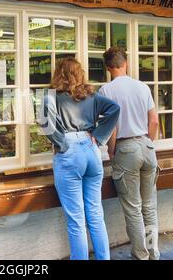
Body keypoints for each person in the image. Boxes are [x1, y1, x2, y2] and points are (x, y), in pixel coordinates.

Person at [38, 57, 120, 260]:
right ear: (79, 73)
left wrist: (62, 143)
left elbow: (45, 124)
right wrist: (99, 137)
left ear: (59, 73)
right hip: (91, 151)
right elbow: (114, 109)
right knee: (95, 214)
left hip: (70, 152)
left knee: (76, 219)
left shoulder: (50, 96)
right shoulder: (91, 95)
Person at [99, 47, 160, 260]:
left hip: (126, 149)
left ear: (108, 68)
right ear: (126, 63)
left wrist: (112, 151)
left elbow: (112, 128)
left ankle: (141, 255)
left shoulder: (106, 91)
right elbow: (154, 121)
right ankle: (153, 253)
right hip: (147, 146)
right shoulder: (142, 87)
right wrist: (147, 142)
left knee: (133, 209)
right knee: (149, 207)